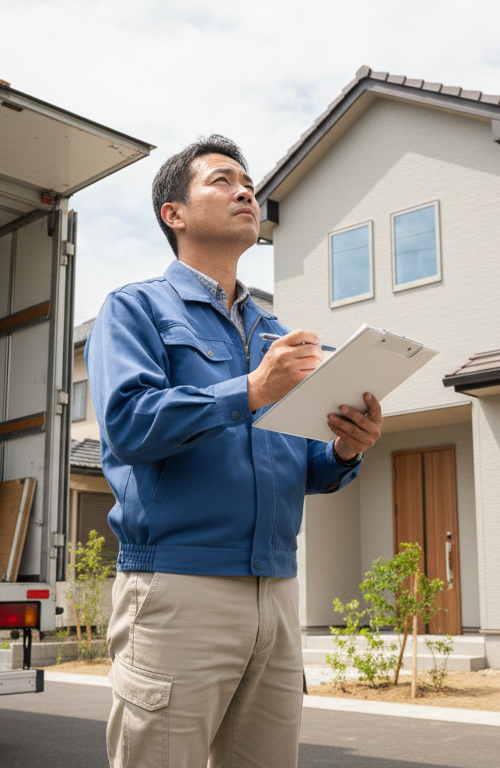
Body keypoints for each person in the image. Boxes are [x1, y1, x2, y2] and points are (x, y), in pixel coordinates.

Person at [87, 134, 383, 767]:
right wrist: (248, 390)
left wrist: (343, 451)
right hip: (177, 586)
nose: (245, 190)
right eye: (221, 181)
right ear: (175, 214)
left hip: (276, 590)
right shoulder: (135, 308)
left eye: (248, 182)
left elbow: (296, 464)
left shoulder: (276, 335)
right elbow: (127, 425)